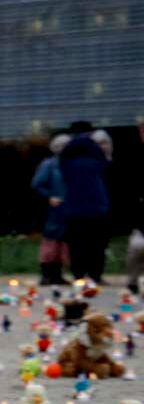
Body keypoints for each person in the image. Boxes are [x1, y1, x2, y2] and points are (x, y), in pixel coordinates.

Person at [59, 121, 110, 283]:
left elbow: (63, 173)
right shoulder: (95, 150)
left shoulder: (68, 150)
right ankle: (96, 274)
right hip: (96, 204)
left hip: (74, 205)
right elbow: (104, 170)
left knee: (76, 244)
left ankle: (78, 275)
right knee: (96, 243)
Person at [31, 134, 71, 285]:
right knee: (51, 240)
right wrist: (49, 197)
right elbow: (37, 184)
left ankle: (58, 274)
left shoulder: (70, 164)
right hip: (53, 209)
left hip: (68, 207)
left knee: (63, 241)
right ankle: (46, 273)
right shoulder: (49, 164)